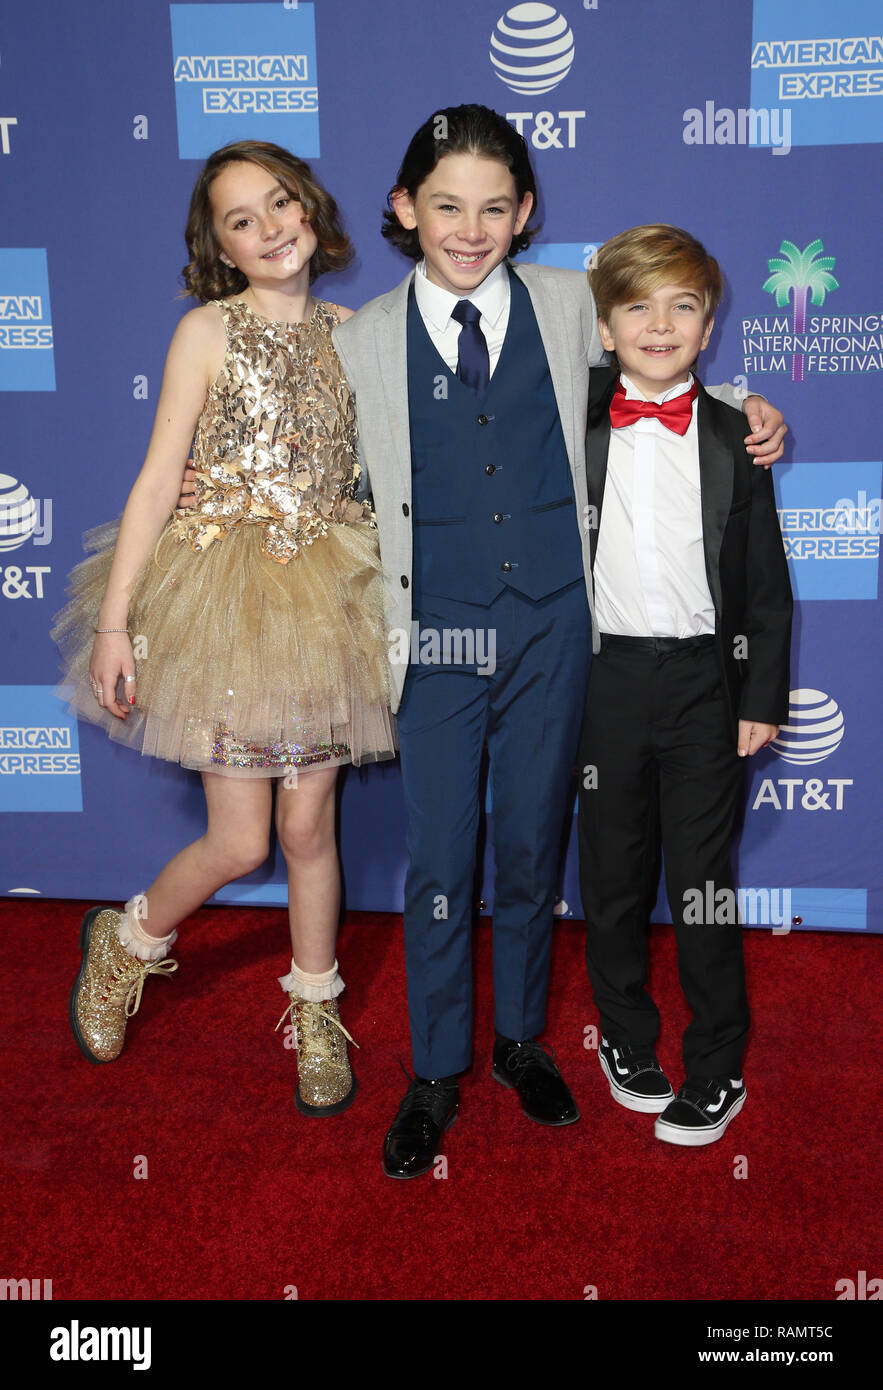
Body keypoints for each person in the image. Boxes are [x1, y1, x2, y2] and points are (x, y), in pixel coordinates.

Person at [329, 105, 788, 1177]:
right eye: (446, 204)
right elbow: (333, 478)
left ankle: (522, 1041)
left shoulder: (565, 306)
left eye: (495, 206)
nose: (470, 226)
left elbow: (657, 369)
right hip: (435, 635)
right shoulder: (354, 341)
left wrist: (745, 406)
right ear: (405, 209)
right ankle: (436, 1068)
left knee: (535, 848)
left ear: (526, 212)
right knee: (443, 859)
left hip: (554, 629)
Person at [53, 141, 396, 1116]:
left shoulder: (360, 331)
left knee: (306, 826)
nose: (269, 227)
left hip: (333, 594)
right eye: (240, 220)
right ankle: (128, 941)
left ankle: (317, 1007)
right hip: (225, 591)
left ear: (310, 207)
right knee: (243, 840)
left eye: (279, 203)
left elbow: (398, 464)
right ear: (221, 247)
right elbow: (160, 474)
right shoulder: (205, 331)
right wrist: (116, 624)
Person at [578, 223, 793, 1145]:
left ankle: (715, 1066)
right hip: (601, 680)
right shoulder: (569, 410)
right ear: (603, 326)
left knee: (703, 884)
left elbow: (763, 582)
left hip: (707, 683)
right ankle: (623, 1038)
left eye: (682, 307)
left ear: (708, 328)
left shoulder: (733, 432)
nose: (659, 325)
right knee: (612, 878)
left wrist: (759, 698)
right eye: (636, 306)